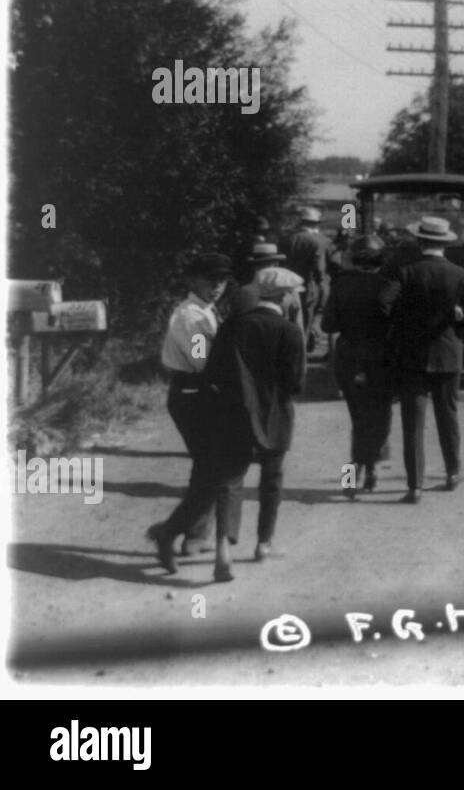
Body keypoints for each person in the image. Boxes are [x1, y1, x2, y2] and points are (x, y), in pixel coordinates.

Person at [148, 270, 305, 582]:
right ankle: (263, 543)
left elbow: (213, 370)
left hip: (233, 414)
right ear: (284, 296)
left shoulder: (232, 326)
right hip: (274, 416)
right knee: (271, 480)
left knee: (229, 482)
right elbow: (295, 384)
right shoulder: (289, 332)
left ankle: (223, 547)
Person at [378, 215, 464, 502]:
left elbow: (384, 304)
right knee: (448, 415)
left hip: (412, 355)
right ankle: (452, 473)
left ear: (420, 241)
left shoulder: (405, 271)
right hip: (448, 353)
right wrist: (455, 322)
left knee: (413, 422)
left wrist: (405, 324)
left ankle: (415, 486)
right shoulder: (460, 275)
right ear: (444, 244)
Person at [157, 252, 232, 556]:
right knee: (214, 469)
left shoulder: (207, 310)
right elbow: (202, 361)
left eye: (222, 281)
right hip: (192, 393)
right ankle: (172, 530)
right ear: (193, 280)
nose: (216, 286)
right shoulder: (190, 316)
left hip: (202, 392)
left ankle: (193, 534)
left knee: (207, 467)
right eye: (210, 280)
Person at [322, 236, 393, 498]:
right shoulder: (388, 285)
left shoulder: (341, 285)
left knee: (358, 418)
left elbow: (328, 326)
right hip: (381, 358)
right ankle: (370, 468)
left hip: (349, 357)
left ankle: (356, 472)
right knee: (380, 416)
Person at [285, 207, 330, 353]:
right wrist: (322, 286)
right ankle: (302, 350)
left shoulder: (287, 238)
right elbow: (320, 269)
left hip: (287, 285)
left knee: (289, 318)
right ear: (316, 223)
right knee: (306, 319)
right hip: (309, 285)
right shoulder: (319, 241)